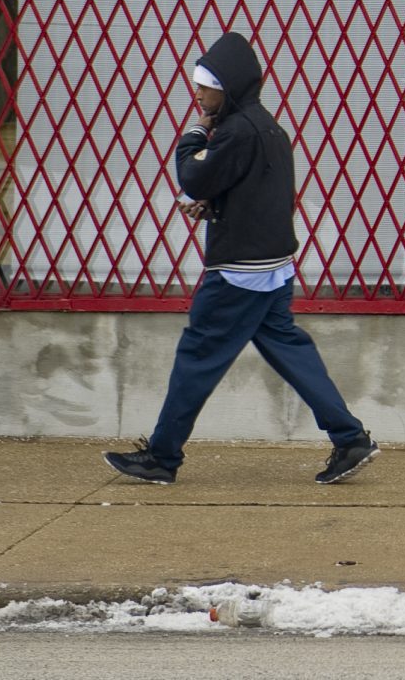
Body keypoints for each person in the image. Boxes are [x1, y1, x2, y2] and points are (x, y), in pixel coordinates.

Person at [103, 32, 377, 486]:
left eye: (206, 86)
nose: (198, 93)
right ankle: (350, 439)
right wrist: (215, 205)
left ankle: (162, 457)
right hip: (274, 266)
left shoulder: (231, 132)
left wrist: (193, 137)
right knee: (292, 352)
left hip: (237, 273)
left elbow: (193, 177)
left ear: (228, 86)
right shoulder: (270, 128)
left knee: (197, 357)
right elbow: (252, 192)